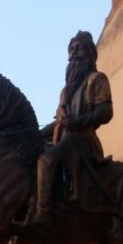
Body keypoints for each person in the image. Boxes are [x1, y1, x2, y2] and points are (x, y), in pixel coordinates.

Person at [29, 31, 113, 227]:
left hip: (83, 142)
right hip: (64, 141)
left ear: (89, 54)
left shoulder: (96, 80)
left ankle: (44, 214)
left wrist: (78, 121)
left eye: (79, 49)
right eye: (71, 49)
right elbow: (59, 123)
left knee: (46, 160)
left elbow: (106, 111)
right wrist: (37, 134)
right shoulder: (65, 92)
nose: (74, 54)